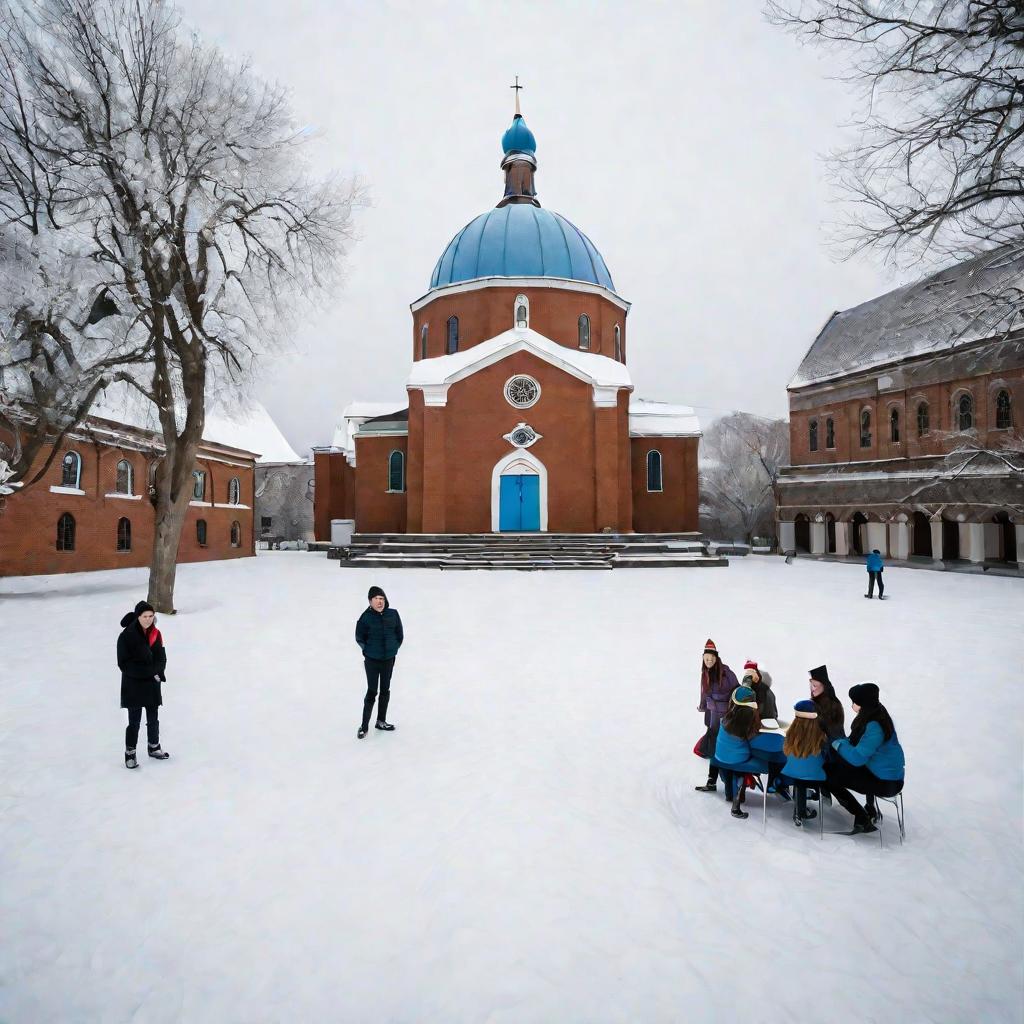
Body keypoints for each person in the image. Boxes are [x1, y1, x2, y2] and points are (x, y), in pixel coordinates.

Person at [826, 683, 905, 835]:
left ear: (862, 704)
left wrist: (836, 743)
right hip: (885, 775)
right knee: (841, 766)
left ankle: (861, 817)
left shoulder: (874, 726)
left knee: (829, 776)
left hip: (887, 783)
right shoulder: (878, 713)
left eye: (854, 702)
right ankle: (869, 809)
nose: (852, 705)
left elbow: (857, 758)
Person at [117, 600, 168, 768]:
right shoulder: (126, 636)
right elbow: (124, 664)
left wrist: (157, 671)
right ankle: (130, 754)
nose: (148, 619)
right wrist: (149, 672)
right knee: (134, 722)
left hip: (152, 684)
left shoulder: (156, 634)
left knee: (153, 718)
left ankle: (154, 747)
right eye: (145, 616)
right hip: (134, 685)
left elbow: (161, 657)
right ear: (138, 617)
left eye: (151, 616)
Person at [714, 686, 778, 819]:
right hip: (737, 759)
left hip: (720, 756)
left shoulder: (727, 716)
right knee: (753, 762)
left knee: (735, 761)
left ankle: (730, 794)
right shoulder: (745, 719)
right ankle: (736, 806)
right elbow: (755, 742)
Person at [355, 585, 404, 739]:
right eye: (376, 598)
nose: (379, 601)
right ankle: (364, 726)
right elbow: (359, 637)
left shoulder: (393, 614)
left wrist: (394, 648)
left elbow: (399, 634)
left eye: (381, 598)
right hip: (372, 660)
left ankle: (381, 721)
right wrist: (368, 650)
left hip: (388, 659)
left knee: (385, 690)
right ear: (370, 601)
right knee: (372, 691)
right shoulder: (365, 618)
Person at [694, 639, 739, 794]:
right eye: (706, 658)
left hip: (726, 718)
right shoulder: (705, 673)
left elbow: (737, 692)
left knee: (722, 748)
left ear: (716, 658)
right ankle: (712, 781)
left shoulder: (726, 673)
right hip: (713, 718)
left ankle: (728, 783)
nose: (709, 661)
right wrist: (703, 706)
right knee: (714, 749)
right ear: (703, 658)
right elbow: (704, 693)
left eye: (712, 658)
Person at [782, 700, 828, 827]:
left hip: (791, 775)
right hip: (816, 778)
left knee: (800, 780)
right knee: (812, 774)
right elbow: (826, 757)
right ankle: (816, 796)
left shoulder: (790, 735)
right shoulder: (821, 737)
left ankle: (799, 812)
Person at [808, 664, 845, 741]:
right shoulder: (815, 703)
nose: (812, 689)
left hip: (833, 746)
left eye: (814, 685)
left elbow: (833, 734)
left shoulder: (832, 704)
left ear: (824, 686)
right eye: (810, 685)